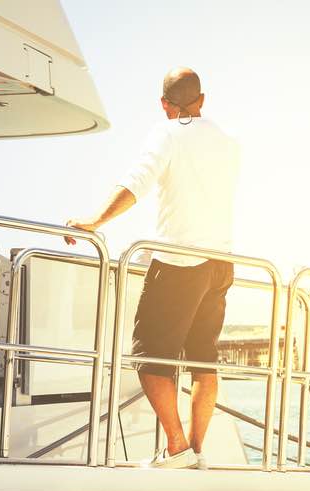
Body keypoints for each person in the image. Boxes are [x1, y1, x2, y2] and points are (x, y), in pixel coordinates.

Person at [66, 67, 240, 469]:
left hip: (180, 262)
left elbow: (136, 184)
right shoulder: (229, 142)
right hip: (222, 263)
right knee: (202, 359)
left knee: (148, 358)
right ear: (203, 99)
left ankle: (177, 446)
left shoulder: (168, 134)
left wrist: (94, 221)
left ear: (164, 104)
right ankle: (196, 452)